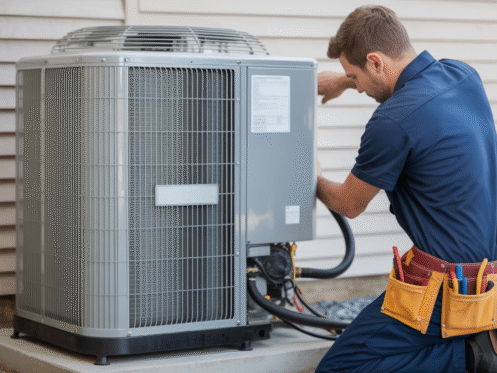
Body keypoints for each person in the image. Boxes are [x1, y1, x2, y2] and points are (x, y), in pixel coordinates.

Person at [314, 5, 497, 373]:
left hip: (440, 290)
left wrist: (309, 174)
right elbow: (402, 83)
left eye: (357, 76)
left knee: (338, 368)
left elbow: (348, 204)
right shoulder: (463, 75)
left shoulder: (392, 120)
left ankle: (473, 357)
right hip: (487, 280)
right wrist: (345, 80)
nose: (360, 87)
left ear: (375, 61)